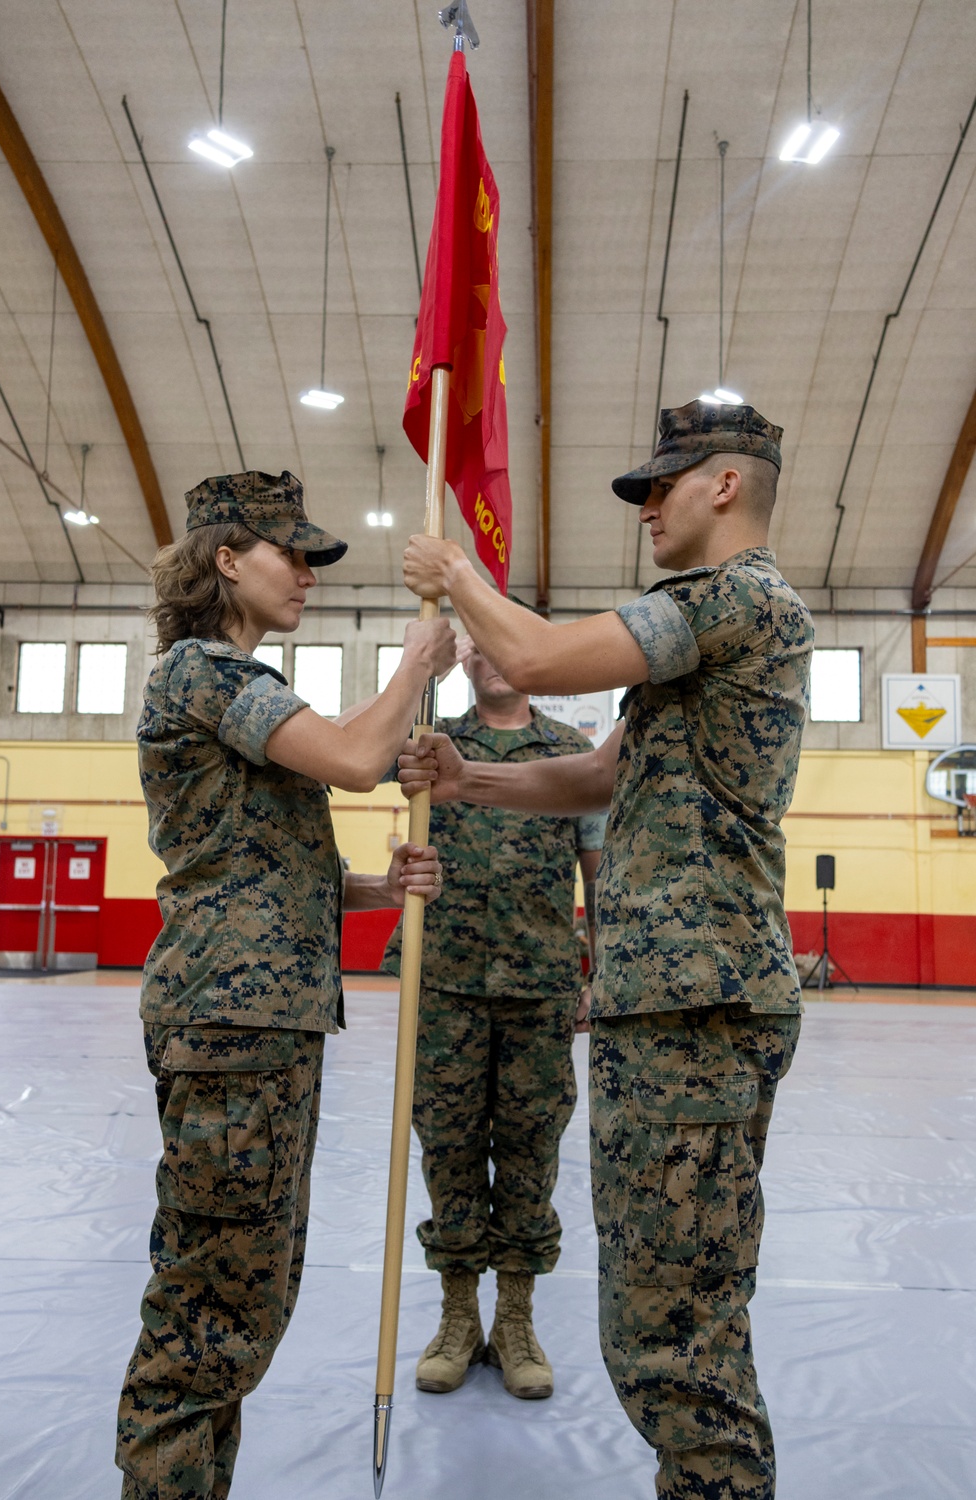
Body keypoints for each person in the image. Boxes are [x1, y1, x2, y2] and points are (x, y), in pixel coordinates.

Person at [397, 402, 814, 1500]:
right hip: (664, 1002)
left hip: (698, 1001)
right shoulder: (701, 636)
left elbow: (537, 657)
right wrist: (466, 780)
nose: (645, 509)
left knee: (677, 1334)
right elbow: (597, 774)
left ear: (722, 486)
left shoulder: (734, 598)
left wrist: (455, 569)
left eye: (659, 488)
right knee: (655, 1319)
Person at [116, 469, 456, 1500]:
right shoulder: (204, 674)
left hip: (257, 1018)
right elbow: (356, 759)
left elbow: (261, 861)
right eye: (289, 552)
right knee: (212, 1305)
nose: (307, 572)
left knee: (243, 1294)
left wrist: (372, 887)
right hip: (232, 1021)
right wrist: (412, 666)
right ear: (227, 559)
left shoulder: (236, 690)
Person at [382, 638, 605, 1400]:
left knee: (529, 1150)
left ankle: (514, 1318)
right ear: (466, 664)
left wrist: (598, 970)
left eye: (516, 648)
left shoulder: (569, 751)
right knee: (446, 1147)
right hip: (443, 980)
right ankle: (456, 1317)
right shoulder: (433, 748)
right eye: (483, 651)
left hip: (540, 983)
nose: (502, 662)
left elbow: (596, 871)